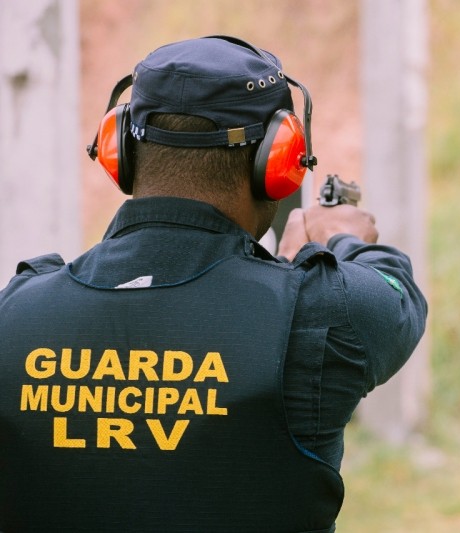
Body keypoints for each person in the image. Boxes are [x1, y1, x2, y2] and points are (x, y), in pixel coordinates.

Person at [0, 36, 427, 532]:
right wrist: (341, 243)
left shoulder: (14, 314)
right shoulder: (319, 315)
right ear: (278, 162)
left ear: (120, 150)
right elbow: (395, 296)